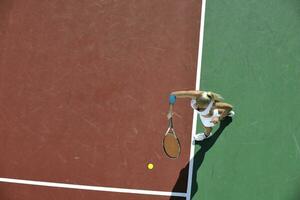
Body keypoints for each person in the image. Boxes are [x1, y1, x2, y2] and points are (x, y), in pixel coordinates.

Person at [167, 90, 234, 141]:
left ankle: (206, 135)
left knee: (207, 127)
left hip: (209, 118)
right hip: (206, 114)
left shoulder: (213, 105)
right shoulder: (195, 94)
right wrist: (170, 110)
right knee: (220, 111)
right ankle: (227, 113)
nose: (196, 107)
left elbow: (229, 107)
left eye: (200, 108)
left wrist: (218, 118)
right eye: (197, 104)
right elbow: (173, 95)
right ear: (197, 98)